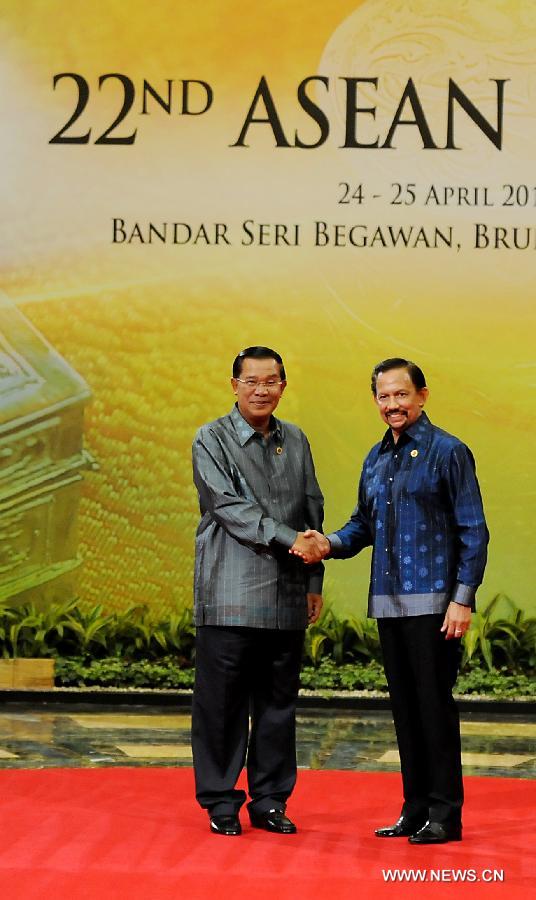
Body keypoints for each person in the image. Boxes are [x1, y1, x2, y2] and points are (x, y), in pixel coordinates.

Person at [292, 358, 488, 844]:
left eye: (401, 395)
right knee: (405, 711)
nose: (392, 405)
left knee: (434, 709)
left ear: (422, 395)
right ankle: (414, 808)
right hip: (389, 604)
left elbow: (474, 531)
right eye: (383, 396)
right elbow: (363, 526)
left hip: (435, 607)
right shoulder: (375, 458)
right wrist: (327, 544)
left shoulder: (449, 452)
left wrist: (461, 600)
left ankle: (445, 815)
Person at [191, 346, 324, 836]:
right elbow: (228, 508)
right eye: (252, 381)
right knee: (221, 706)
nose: (261, 390)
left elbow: (312, 507)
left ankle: (270, 799)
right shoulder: (211, 438)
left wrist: (314, 579)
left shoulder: (298, 439)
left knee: (277, 706)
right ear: (234, 385)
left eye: (271, 381)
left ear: (283, 386)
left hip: (287, 597)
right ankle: (221, 800)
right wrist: (292, 539)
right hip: (229, 593)